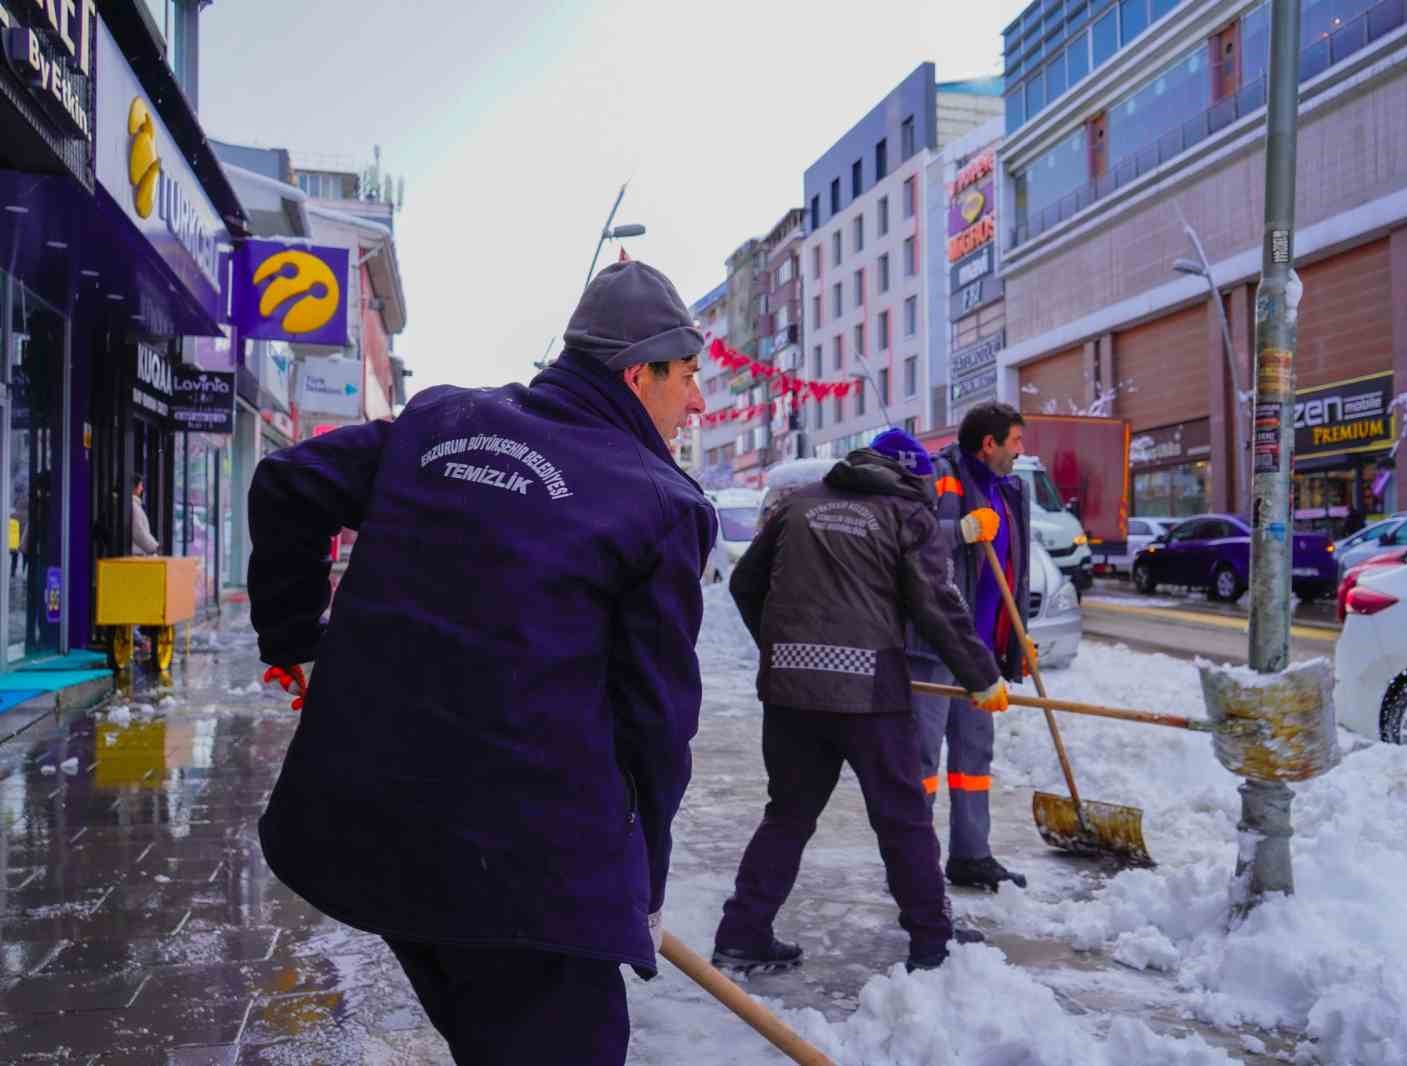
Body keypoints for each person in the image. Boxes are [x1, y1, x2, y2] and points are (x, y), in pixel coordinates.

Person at [247, 260, 716, 1066]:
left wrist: (293, 639)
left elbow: (290, 481)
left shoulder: (441, 423)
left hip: (376, 839)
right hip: (524, 881)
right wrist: (643, 887)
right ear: (640, 374)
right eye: (690, 378)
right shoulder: (659, 503)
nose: (699, 400)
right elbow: (655, 730)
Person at [712, 429, 1009, 975]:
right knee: (903, 820)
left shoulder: (796, 505)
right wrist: (982, 677)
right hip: (868, 692)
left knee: (788, 815)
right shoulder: (905, 514)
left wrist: (783, 650)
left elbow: (744, 585)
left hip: (791, 694)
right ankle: (931, 941)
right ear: (910, 475)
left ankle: (742, 933)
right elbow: (937, 605)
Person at [909, 402, 1033, 892]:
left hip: (980, 653)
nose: (1021, 451)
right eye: (1016, 442)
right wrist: (957, 531)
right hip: (936, 643)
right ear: (990, 443)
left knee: (973, 757)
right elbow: (904, 539)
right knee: (922, 761)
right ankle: (914, 864)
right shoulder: (937, 476)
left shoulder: (1012, 490)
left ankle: (971, 854)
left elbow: (1014, 568)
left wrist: (1018, 637)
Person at [130, 476, 159, 555]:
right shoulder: (133, 506)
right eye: (141, 485)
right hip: (135, 555)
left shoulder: (133, 505)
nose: (142, 488)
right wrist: (154, 547)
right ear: (134, 487)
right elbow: (138, 532)